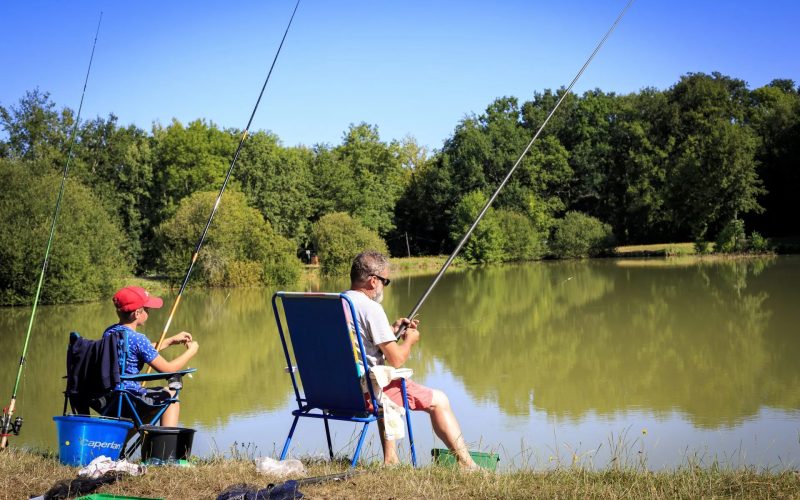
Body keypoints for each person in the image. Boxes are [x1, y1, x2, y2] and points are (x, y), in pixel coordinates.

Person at [344, 251, 478, 470]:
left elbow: (358, 338)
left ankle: (391, 459)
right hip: (365, 393)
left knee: (381, 382)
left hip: (334, 392)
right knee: (439, 400)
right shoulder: (371, 308)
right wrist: (410, 341)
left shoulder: (339, 302)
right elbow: (396, 360)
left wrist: (391, 331)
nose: (384, 287)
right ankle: (467, 466)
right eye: (385, 281)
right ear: (373, 280)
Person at [104, 286, 199, 427]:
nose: (148, 312)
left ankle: (121, 444)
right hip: (129, 397)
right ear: (137, 313)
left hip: (110, 396)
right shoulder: (138, 339)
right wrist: (192, 351)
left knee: (153, 404)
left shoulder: (110, 332)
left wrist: (170, 341)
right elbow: (169, 369)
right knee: (170, 395)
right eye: (147, 309)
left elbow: (134, 351)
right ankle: (166, 448)